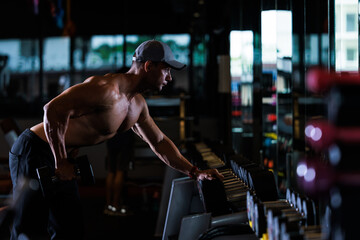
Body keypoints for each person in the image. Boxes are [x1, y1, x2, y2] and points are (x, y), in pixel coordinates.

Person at [9, 39, 224, 239]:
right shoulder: (106, 90)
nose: (169, 77)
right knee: (29, 230)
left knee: (70, 230)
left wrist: (195, 172)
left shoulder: (137, 105)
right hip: (34, 149)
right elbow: (52, 109)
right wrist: (61, 161)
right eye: (166, 69)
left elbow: (159, 142)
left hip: (59, 156)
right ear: (149, 66)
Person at [103, 129, 134, 216]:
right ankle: (116, 206)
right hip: (125, 136)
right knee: (120, 171)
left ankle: (109, 206)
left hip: (111, 135)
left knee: (111, 172)